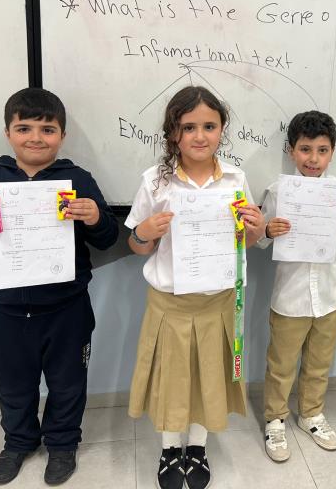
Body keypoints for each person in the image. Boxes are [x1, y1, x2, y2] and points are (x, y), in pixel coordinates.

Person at [0, 87, 119, 485]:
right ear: (8, 133)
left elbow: (108, 238)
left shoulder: (78, 179)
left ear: (62, 135)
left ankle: (62, 444)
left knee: (68, 384)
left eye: (48, 129)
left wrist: (95, 217)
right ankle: (18, 443)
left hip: (67, 308)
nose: (36, 138)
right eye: (24, 128)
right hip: (6, 311)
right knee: (13, 385)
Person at [125, 86, 265, 489]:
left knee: (209, 379)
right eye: (188, 127)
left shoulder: (236, 179)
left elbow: (243, 243)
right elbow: (136, 245)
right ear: (173, 133)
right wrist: (144, 232)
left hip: (218, 302)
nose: (199, 136)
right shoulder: (155, 182)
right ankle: (171, 449)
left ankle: (199, 447)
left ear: (222, 130)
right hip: (170, 304)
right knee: (172, 380)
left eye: (209, 126)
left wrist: (255, 230)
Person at [257, 111, 336, 461]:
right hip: (290, 296)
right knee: (281, 362)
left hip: (329, 295)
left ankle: (311, 414)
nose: (313, 159)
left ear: (332, 152)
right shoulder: (278, 191)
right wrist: (268, 230)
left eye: (322, 150)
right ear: (292, 150)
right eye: (305, 149)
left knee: (319, 361)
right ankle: (275, 418)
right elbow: (259, 237)